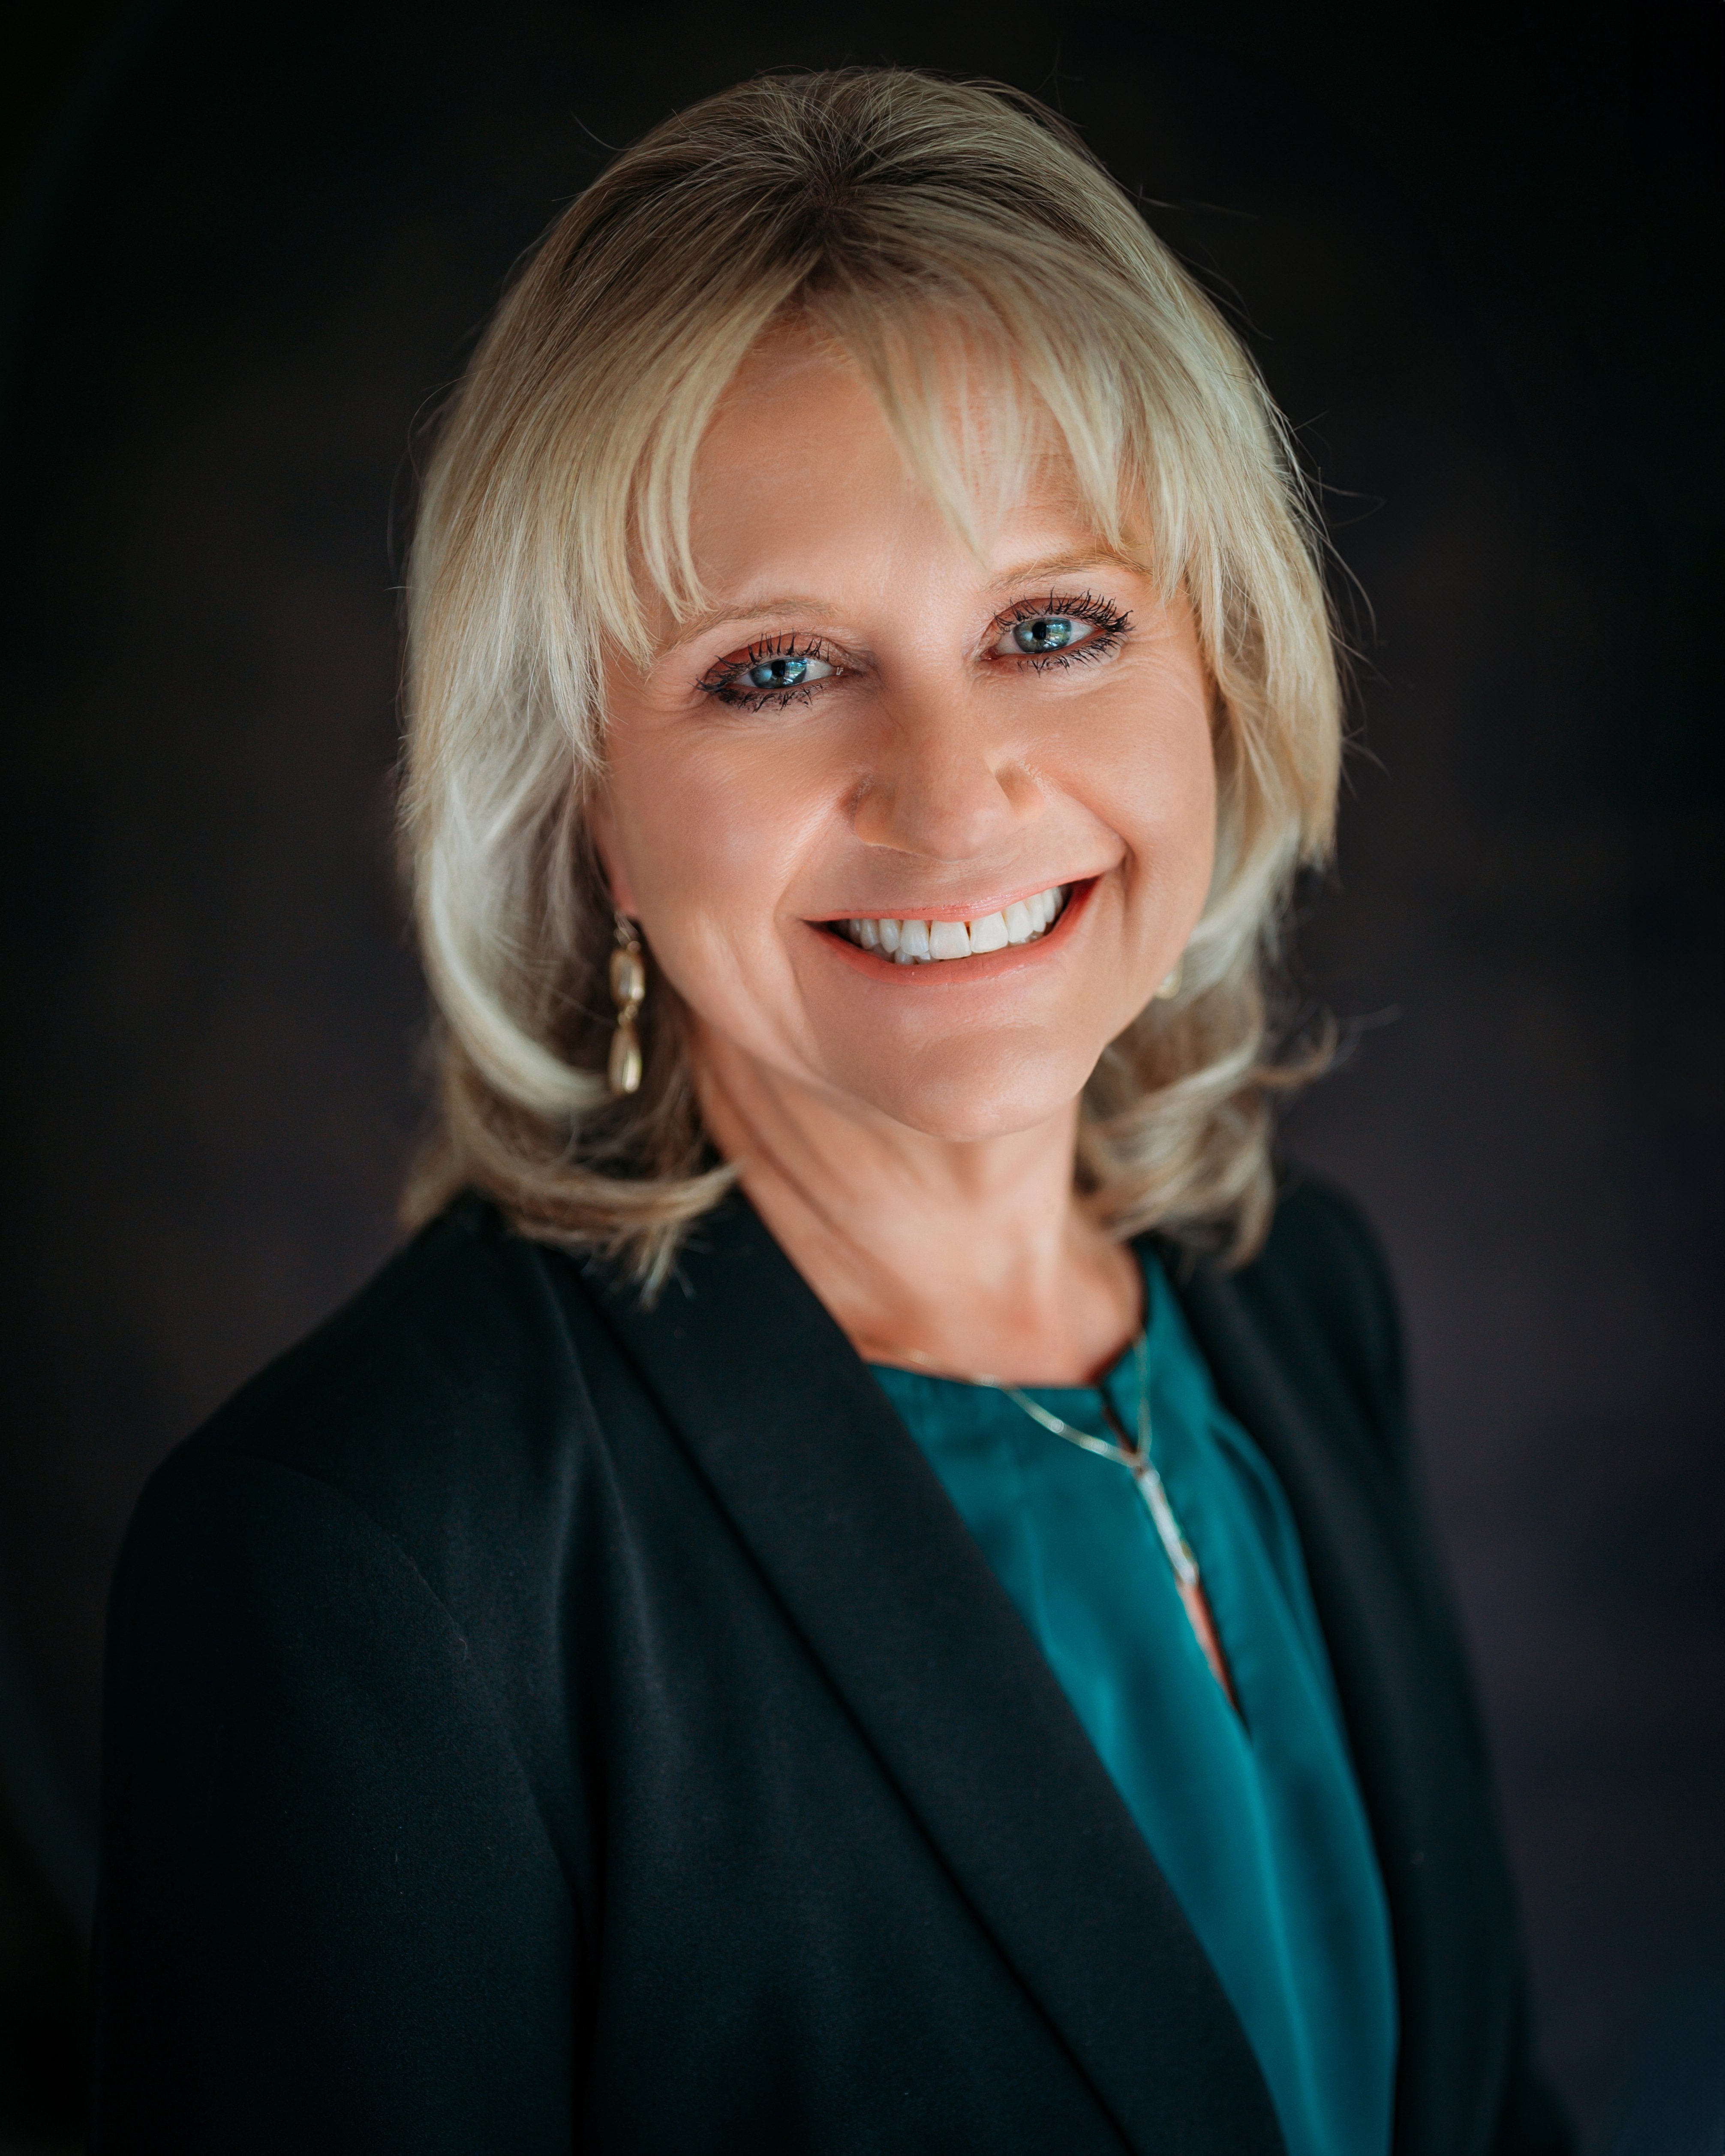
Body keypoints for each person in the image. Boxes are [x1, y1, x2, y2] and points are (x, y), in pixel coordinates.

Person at [91, 69, 1572, 2156]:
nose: (954, 791)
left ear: (1219, 679)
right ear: (585, 797)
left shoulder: (1300, 1306)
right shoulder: (364, 1566)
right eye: (775, 670)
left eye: (1051, 625)